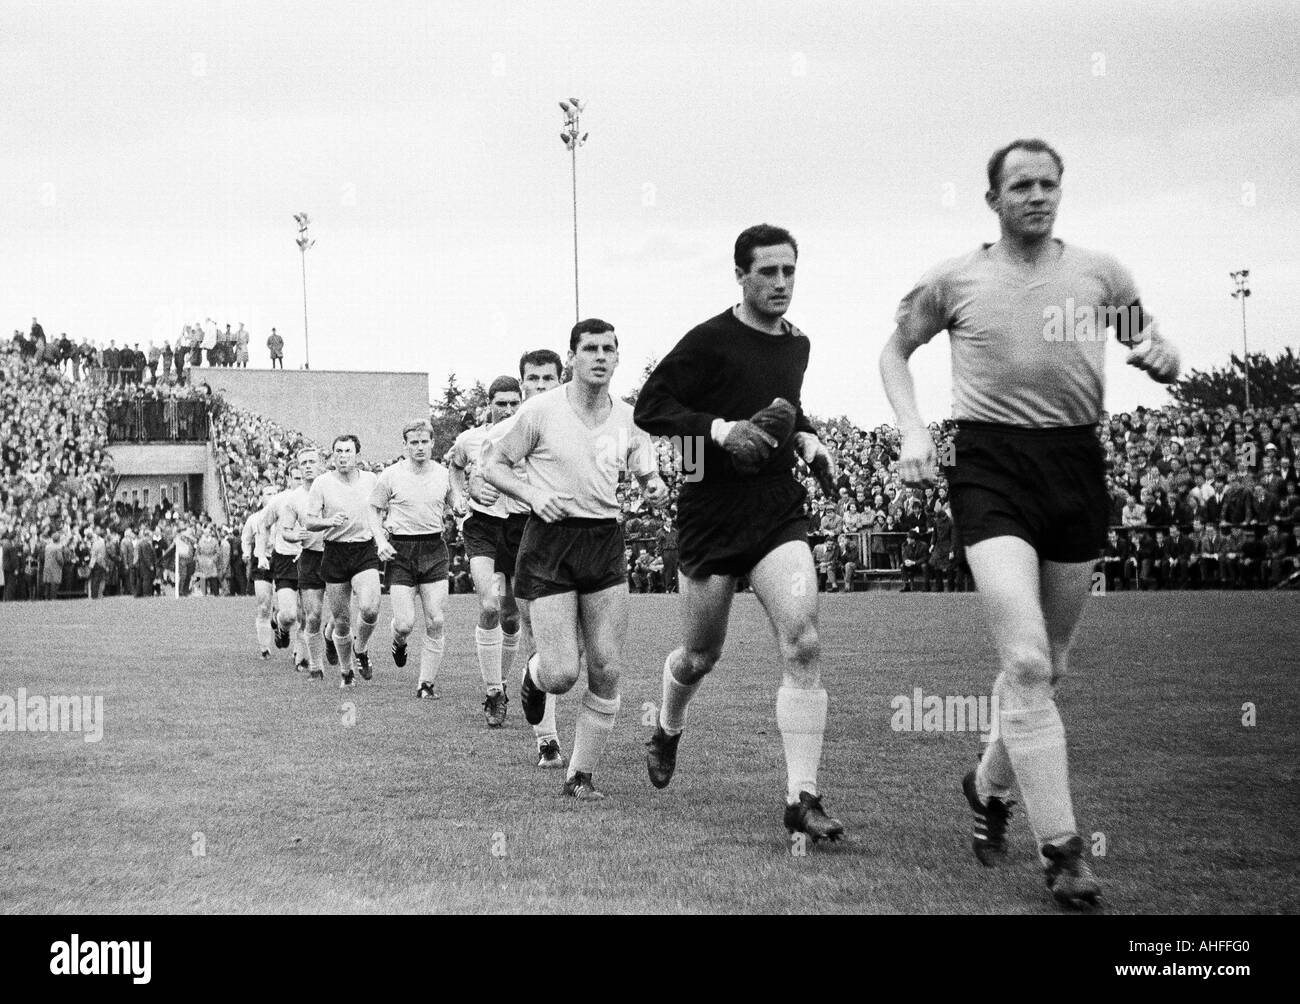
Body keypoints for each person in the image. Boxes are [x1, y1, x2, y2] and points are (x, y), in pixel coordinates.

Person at [879, 138, 1181, 908]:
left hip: (1076, 464)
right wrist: (915, 432)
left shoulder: (1099, 272)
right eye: (1021, 185)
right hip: (990, 467)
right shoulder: (955, 279)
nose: (1037, 196)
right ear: (993, 199)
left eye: (1049, 184)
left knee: (1054, 663)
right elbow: (895, 351)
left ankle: (986, 788)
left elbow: (1148, 336)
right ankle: (1064, 851)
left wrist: (1165, 356)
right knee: (1024, 661)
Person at [633, 223, 845, 842]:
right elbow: (651, 407)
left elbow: (788, 407)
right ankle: (669, 727)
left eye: (789, 272)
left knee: (802, 640)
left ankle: (802, 796)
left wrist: (809, 440)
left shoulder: (796, 345)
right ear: (741, 276)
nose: (781, 284)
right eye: (768, 272)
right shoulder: (707, 342)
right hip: (712, 512)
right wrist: (720, 429)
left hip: (777, 507)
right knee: (701, 656)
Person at [485, 319, 667, 800]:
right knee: (562, 672)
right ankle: (531, 675)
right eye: (590, 349)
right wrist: (530, 493)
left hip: (603, 542)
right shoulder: (541, 410)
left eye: (609, 348)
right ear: (572, 357)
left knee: (606, 667)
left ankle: (580, 776)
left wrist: (653, 487)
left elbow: (646, 471)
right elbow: (494, 464)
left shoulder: (628, 417)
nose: (600, 357)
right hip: (548, 542)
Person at [472, 352, 573, 765]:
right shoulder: (504, 431)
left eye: (548, 379)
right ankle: (544, 736)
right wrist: (471, 490)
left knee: (571, 650)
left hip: (563, 534)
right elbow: (471, 467)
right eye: (532, 380)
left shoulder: (575, 421)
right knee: (503, 610)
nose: (539, 388)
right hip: (501, 531)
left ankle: (521, 685)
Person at [447, 377, 528, 724]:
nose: (508, 409)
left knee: (511, 616)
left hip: (520, 526)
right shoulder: (470, 438)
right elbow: (454, 465)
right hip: (482, 526)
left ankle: (503, 682)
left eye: (514, 403)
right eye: (502, 403)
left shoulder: (532, 434)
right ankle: (493, 691)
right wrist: (458, 494)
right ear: (489, 403)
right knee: (489, 603)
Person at [370, 420, 456, 703]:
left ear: (433, 443)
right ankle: (398, 641)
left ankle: (426, 683)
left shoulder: (444, 474)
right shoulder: (391, 475)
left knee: (436, 618)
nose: (419, 447)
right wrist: (381, 541)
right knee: (405, 623)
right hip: (401, 549)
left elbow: (456, 500)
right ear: (405, 445)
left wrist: (462, 508)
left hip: (433, 547)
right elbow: (374, 510)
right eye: (413, 442)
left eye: (424, 442)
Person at [305, 435, 381, 688]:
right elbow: (309, 521)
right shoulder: (322, 483)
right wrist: (328, 521)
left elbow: (384, 509)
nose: (343, 455)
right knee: (341, 620)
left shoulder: (371, 480)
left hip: (364, 550)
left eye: (348, 450)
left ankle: (361, 649)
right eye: (338, 451)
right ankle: (347, 672)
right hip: (335, 551)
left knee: (370, 607)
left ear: (357, 454)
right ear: (333, 454)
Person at [277, 448, 329, 680]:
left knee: (341, 617)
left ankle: (330, 637)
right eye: (303, 463)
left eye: (312, 461)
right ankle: (315, 667)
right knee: (312, 615)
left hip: (337, 554)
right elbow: (285, 530)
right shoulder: (293, 498)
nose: (307, 466)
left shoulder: (333, 487)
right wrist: (293, 535)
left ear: (322, 464)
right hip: (310, 557)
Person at [261, 466, 307, 667]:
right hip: (285, 560)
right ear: (289, 478)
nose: (300, 481)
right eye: (296, 477)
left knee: (306, 614)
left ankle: (301, 657)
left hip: (310, 558)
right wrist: (262, 553)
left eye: (302, 477)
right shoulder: (280, 501)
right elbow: (264, 525)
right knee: (289, 614)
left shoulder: (316, 496)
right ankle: (281, 625)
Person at [241, 483, 279, 658]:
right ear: (261, 498)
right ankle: (265, 649)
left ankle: (280, 623)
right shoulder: (254, 519)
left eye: (274, 493)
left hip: (283, 559)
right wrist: (247, 553)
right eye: (268, 493)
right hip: (261, 560)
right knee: (264, 604)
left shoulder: (286, 516)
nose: (271, 496)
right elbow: (246, 538)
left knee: (284, 606)